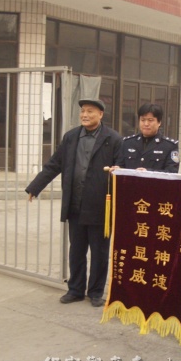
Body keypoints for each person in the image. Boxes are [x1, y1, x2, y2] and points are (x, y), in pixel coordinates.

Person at [26, 98, 122, 307]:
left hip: (100, 207)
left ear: (100, 114)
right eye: (82, 111)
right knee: (76, 250)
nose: (85, 115)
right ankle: (75, 289)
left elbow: (122, 168)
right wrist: (35, 186)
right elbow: (54, 164)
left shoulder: (113, 139)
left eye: (90, 111)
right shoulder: (71, 137)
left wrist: (118, 173)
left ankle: (95, 292)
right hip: (75, 204)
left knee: (99, 252)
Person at [118, 103, 179, 173]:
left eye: (150, 120)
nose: (146, 124)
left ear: (159, 122)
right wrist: (117, 169)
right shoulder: (127, 143)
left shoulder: (169, 146)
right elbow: (120, 165)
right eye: (143, 120)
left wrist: (148, 172)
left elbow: (172, 172)